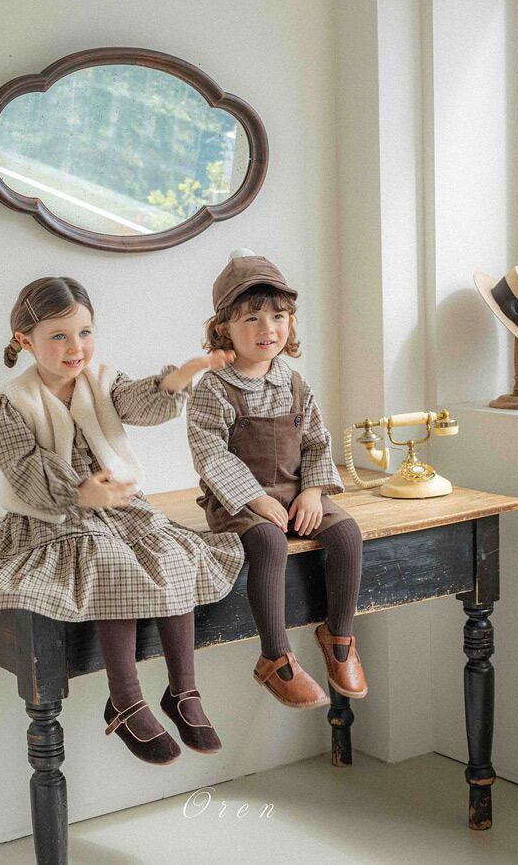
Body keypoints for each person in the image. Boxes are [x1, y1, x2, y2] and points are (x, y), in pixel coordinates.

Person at [0, 276, 244, 766]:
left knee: (173, 555)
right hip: (52, 517)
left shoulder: (102, 380)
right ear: (25, 340)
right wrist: (78, 492)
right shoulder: (14, 402)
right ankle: (125, 699)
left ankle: (183, 690)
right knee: (109, 561)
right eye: (59, 336)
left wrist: (180, 377)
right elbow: (23, 467)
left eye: (85, 333)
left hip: (119, 506)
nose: (76, 348)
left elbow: (136, 400)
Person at [187, 250, 367, 709]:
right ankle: (275, 656)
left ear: (291, 322)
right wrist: (254, 499)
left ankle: (339, 637)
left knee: (347, 533)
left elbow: (317, 442)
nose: (267, 328)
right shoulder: (213, 387)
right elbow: (210, 454)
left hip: (296, 491)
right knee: (269, 542)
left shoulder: (295, 383)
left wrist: (312, 492)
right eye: (252, 318)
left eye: (278, 316)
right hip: (238, 503)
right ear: (223, 328)